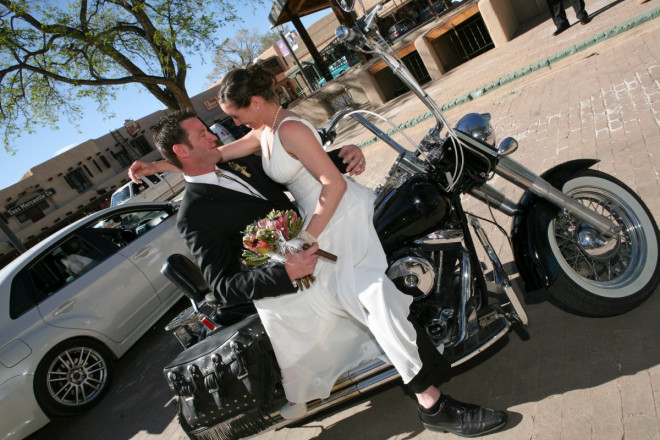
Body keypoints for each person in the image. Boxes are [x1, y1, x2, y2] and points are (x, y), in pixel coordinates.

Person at [133, 67, 507, 436]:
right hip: (294, 270)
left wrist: (343, 153)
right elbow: (224, 286)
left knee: (392, 259)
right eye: (204, 133)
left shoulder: (236, 156)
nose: (216, 133)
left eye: (224, 120)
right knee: (372, 297)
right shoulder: (194, 213)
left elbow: (294, 155)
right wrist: (287, 271)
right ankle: (432, 403)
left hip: (322, 232)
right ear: (184, 149)